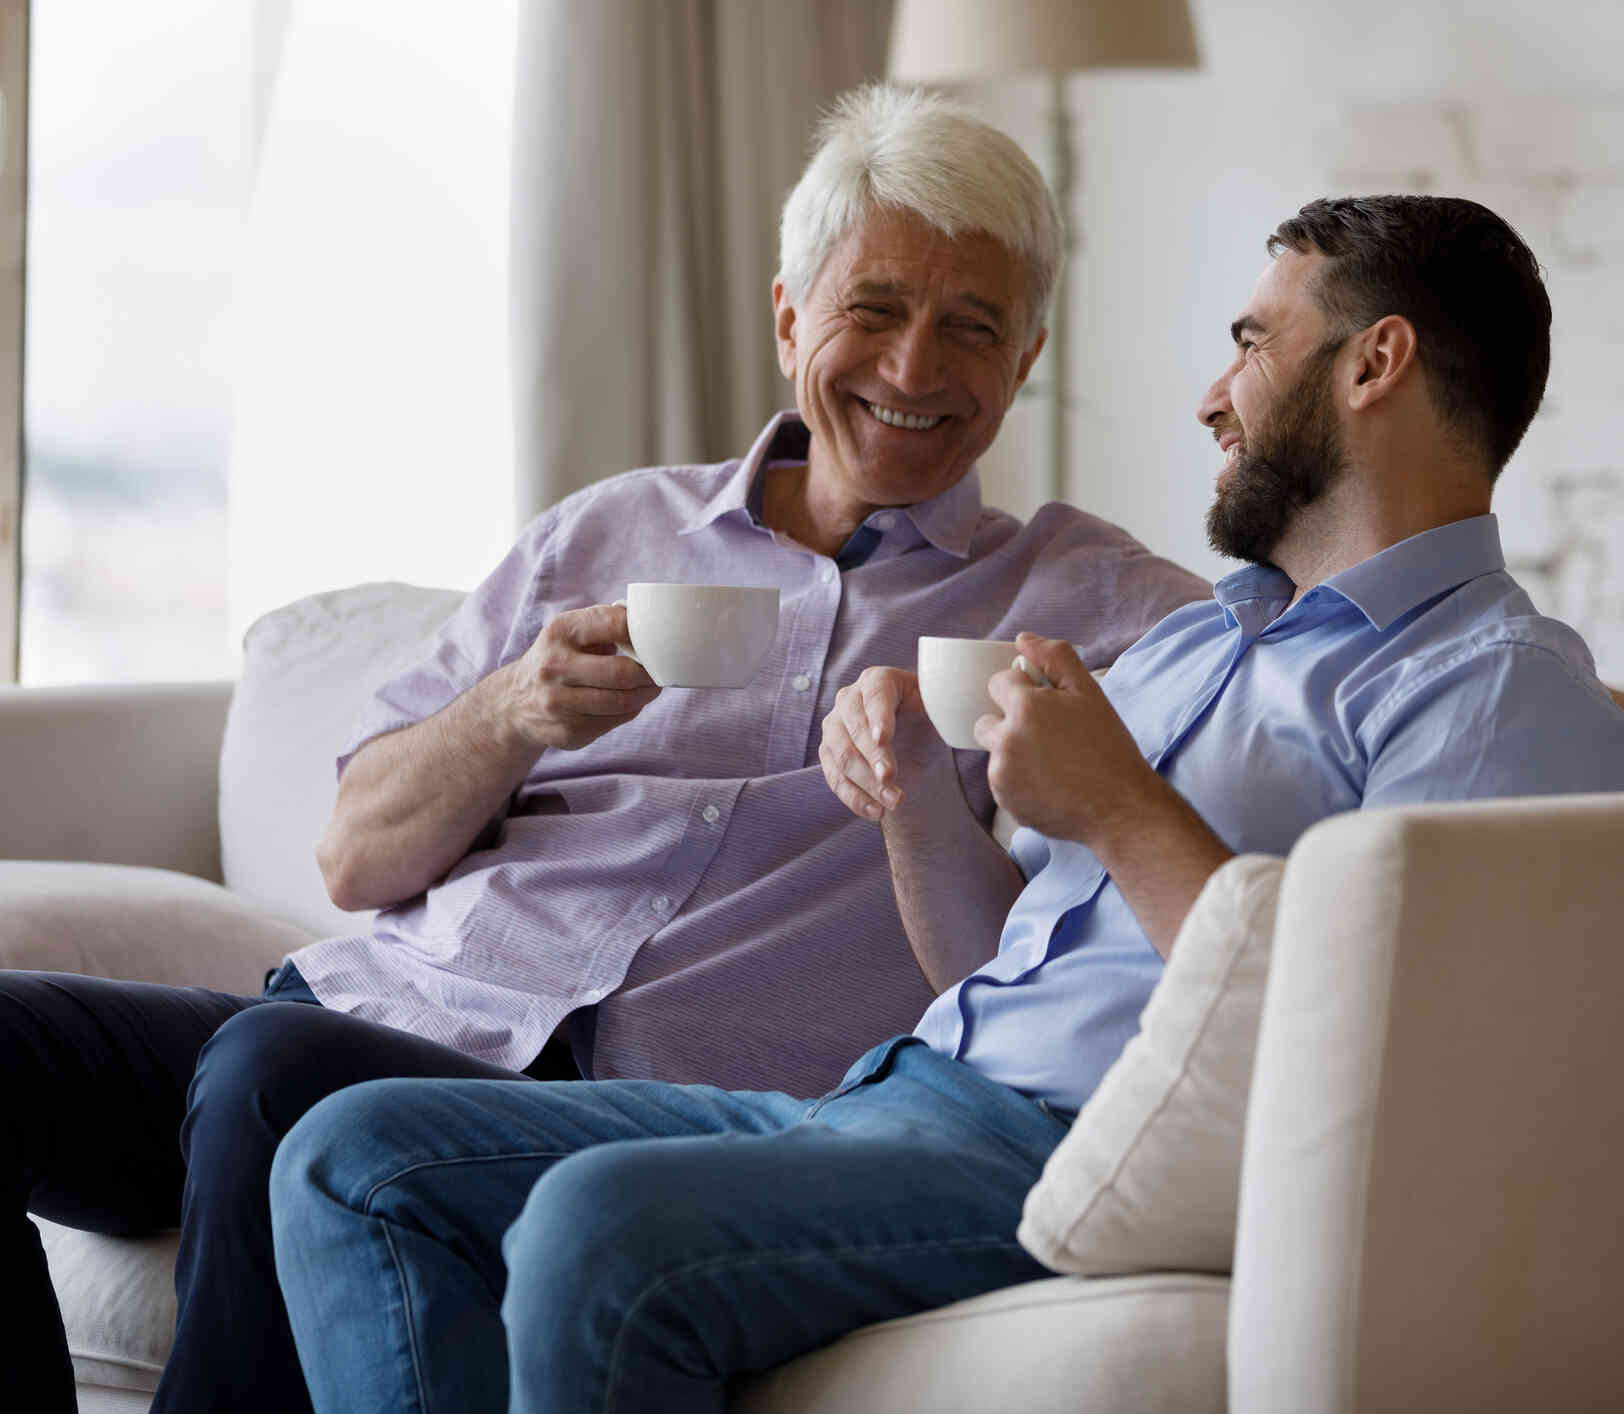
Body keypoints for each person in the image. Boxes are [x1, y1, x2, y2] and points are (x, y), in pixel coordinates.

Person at [268, 192, 1624, 1414]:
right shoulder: (1197, 640)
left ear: (1376, 361)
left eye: (1248, 339)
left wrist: (1118, 811)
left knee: (595, 1229)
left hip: (1078, 1153)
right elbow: (993, 965)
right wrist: (917, 798)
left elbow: (1411, 1061)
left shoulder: (1494, 690)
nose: (1211, 395)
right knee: (352, 1151)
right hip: (906, 1088)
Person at [0, 86, 1209, 1414]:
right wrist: (513, 711)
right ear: (788, 315)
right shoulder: (606, 531)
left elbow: (1273, 693)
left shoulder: (1089, 603)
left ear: (1026, 358)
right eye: (873, 310)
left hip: (640, 1114)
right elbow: (353, 855)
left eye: (970, 327)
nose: (915, 368)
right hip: (390, 1009)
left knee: (273, 1081)